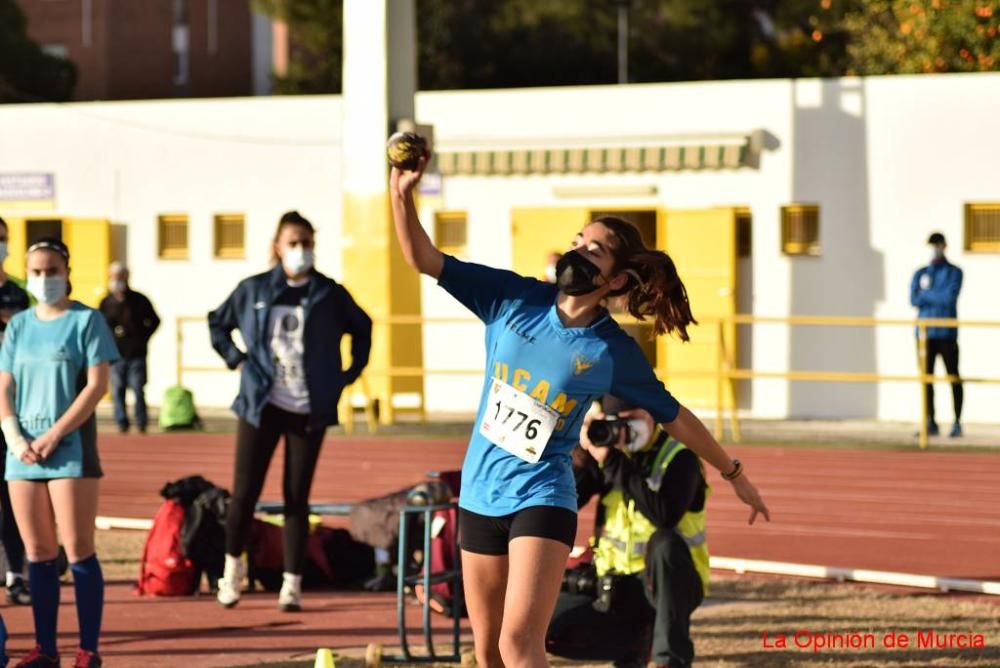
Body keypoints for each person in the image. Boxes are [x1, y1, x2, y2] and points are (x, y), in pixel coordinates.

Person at [390, 153, 768, 668]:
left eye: (595, 249)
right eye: (577, 241)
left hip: (543, 496)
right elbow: (423, 258)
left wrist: (733, 471)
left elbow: (674, 416)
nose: (579, 251)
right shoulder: (511, 297)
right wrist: (400, 193)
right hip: (481, 495)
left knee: (518, 644)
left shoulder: (610, 349)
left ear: (615, 281)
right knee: (486, 653)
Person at [208, 210, 372, 612]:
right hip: (261, 405)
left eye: (307, 243)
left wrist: (345, 376)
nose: (301, 250)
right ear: (276, 247)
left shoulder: (329, 294)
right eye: (293, 243)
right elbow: (217, 323)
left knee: (296, 498)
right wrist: (238, 360)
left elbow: (364, 327)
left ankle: (292, 585)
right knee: (244, 493)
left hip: (308, 409)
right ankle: (232, 575)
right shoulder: (253, 290)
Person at [0, 238, 120, 668]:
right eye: (36, 271)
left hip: (70, 452)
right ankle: (45, 648)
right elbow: (5, 387)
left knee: (79, 548)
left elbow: (96, 386)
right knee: (38, 552)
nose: (44, 279)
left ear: (67, 272)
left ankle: (87, 649)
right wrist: (15, 437)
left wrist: (54, 434)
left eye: (52, 271)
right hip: (23, 455)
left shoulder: (87, 321)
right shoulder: (18, 326)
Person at [546, 398, 708, 668]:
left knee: (665, 543)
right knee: (542, 628)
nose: (624, 426)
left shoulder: (679, 457)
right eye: (616, 420)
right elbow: (567, 501)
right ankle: (634, 644)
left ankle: (670, 659)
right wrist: (582, 456)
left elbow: (664, 515)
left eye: (631, 416)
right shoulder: (606, 455)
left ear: (651, 413)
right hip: (617, 587)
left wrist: (613, 461)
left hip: (669, 584)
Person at [0, 217, 31, 607]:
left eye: (3, 239)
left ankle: (15, 575)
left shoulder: (21, 294)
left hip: (12, 407)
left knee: (14, 496)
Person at [910, 232, 964, 437]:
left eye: (937, 245)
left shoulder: (954, 272)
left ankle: (957, 421)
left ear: (944, 246)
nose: (934, 248)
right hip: (924, 335)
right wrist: (932, 295)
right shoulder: (922, 272)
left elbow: (949, 298)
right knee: (927, 379)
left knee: (953, 377)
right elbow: (913, 299)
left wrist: (927, 295)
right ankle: (930, 421)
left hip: (946, 334)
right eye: (931, 245)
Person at [99, 262, 160, 434]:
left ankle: (141, 422)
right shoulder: (106, 302)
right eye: (113, 277)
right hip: (115, 354)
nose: (117, 281)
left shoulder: (140, 300)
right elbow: (100, 326)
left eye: (120, 277)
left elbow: (155, 321)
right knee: (117, 390)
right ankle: (121, 422)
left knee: (138, 388)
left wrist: (143, 337)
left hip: (137, 353)